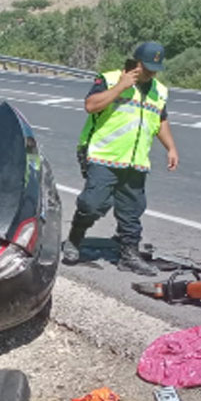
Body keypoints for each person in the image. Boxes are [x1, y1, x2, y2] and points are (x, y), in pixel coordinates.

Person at [62, 41, 179, 275]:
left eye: (155, 68)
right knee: (92, 204)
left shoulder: (159, 90)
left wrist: (171, 147)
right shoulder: (109, 79)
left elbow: (160, 120)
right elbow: (91, 105)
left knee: (132, 209)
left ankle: (129, 255)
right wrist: (121, 86)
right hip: (103, 154)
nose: (151, 72)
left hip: (136, 161)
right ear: (136, 63)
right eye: (147, 67)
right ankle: (74, 239)